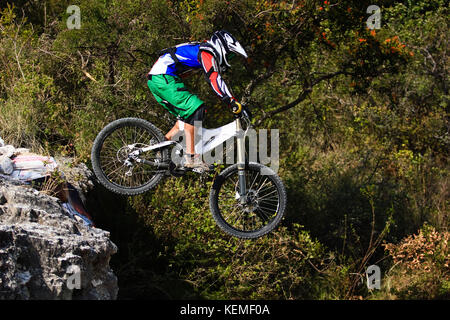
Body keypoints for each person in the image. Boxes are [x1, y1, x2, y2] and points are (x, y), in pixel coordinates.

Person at [147, 30, 248, 171]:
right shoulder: (207, 52)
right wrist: (232, 102)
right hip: (163, 78)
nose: (229, 59)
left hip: (161, 79)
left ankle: (161, 143)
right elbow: (214, 79)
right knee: (196, 108)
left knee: (185, 118)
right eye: (229, 55)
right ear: (222, 46)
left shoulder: (203, 50)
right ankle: (191, 157)